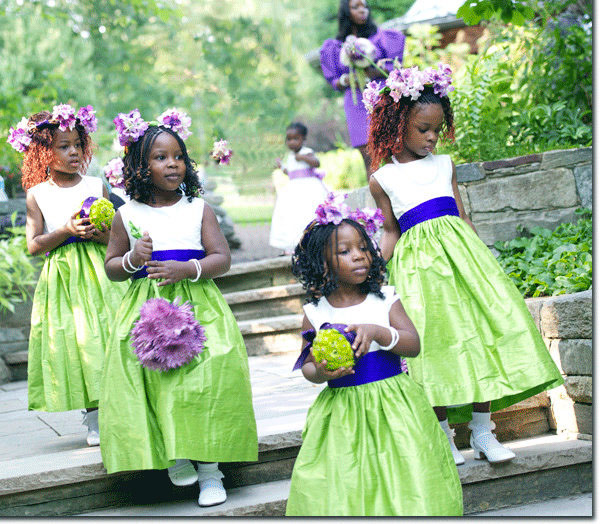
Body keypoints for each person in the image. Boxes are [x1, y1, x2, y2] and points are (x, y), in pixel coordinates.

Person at [366, 64, 564, 465]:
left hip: (464, 263)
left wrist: (483, 260)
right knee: (433, 346)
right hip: (419, 270)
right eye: (423, 128)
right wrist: (373, 273)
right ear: (398, 124)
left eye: (437, 128)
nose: (432, 137)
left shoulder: (445, 165)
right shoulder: (383, 179)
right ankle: (443, 435)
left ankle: (482, 431)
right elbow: (390, 231)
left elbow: (460, 213)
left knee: (480, 337)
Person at [99, 109, 258, 507]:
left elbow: (222, 257)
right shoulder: (127, 214)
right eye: (160, 157)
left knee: (206, 382)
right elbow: (113, 269)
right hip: (148, 311)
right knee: (161, 386)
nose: (172, 164)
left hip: (198, 306)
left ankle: (210, 472)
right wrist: (134, 258)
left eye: (178, 156)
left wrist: (190, 268)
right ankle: (176, 453)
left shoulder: (197, 209)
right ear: (140, 166)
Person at [284, 196, 463, 516]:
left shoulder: (385, 298)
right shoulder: (315, 311)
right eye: (345, 251)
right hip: (343, 410)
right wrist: (322, 372)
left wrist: (381, 333)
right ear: (323, 263)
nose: (359, 256)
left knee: (405, 468)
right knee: (348, 476)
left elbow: (413, 344)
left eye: (363, 248)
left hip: (394, 402)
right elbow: (307, 366)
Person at [8, 104, 127, 446]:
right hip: (64, 278)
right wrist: (67, 229)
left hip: (101, 269)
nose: (73, 151)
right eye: (63, 146)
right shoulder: (37, 194)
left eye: (77, 144)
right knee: (81, 342)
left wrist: (96, 233)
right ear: (44, 152)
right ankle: (94, 418)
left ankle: (122, 406)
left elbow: (113, 236)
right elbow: (34, 245)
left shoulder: (95, 184)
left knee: (110, 333)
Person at [320, 0, 405, 177]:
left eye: (365, 6)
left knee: (393, 150)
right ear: (346, 11)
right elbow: (333, 81)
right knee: (368, 156)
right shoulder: (334, 47)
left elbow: (395, 68)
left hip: (381, 96)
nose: (362, 10)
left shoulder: (381, 37)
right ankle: (378, 203)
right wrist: (346, 79)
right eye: (356, 7)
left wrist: (372, 70)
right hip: (356, 101)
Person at [269, 122, 328, 255]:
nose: (292, 142)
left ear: (303, 139)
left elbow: (316, 163)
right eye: (289, 139)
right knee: (292, 215)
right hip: (293, 188)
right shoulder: (290, 156)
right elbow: (290, 172)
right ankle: (293, 244)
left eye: (296, 139)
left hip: (308, 188)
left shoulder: (307, 152)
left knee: (308, 212)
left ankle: (313, 243)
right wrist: (281, 167)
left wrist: (302, 157)